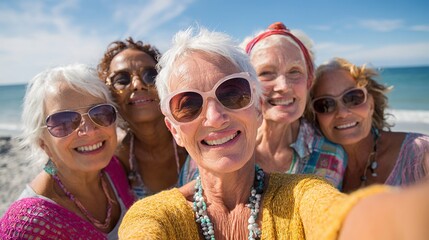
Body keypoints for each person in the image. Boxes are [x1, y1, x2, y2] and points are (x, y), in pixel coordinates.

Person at [118, 27, 429, 240]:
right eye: (188, 105)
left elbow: (341, 216)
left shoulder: (305, 191)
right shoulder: (154, 215)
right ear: (173, 128)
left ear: (256, 105)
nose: (215, 117)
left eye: (233, 93)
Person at [0, 64, 134, 239]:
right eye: (63, 122)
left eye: (100, 113)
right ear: (42, 142)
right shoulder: (26, 227)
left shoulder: (114, 169)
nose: (89, 130)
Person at [242, 22, 346, 189]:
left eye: (294, 71)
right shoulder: (224, 147)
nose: (283, 86)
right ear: (247, 85)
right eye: (266, 73)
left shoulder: (329, 155)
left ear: (309, 81)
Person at [308, 57, 429, 192]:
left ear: (371, 104)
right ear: (314, 115)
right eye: (326, 104)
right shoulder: (314, 171)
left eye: (353, 98)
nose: (342, 113)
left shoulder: (421, 152)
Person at [97, 38, 198, 199]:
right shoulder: (112, 158)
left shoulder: (197, 134)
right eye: (122, 80)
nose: (137, 84)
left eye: (150, 75)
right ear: (109, 95)